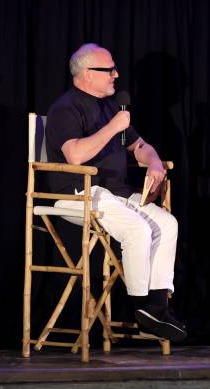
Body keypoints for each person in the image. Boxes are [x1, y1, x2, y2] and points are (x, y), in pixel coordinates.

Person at [45, 43, 186, 342]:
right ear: (87, 74)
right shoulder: (65, 109)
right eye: (109, 70)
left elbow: (139, 147)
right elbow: (75, 156)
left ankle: (158, 305)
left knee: (166, 223)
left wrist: (155, 162)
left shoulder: (113, 109)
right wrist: (112, 127)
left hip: (116, 193)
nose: (116, 75)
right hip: (77, 193)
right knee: (137, 229)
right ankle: (141, 304)